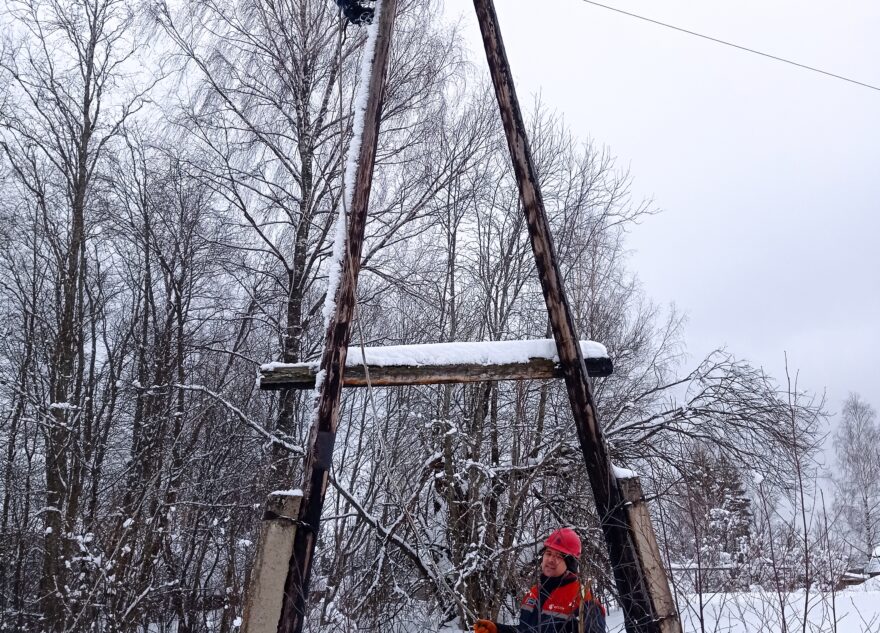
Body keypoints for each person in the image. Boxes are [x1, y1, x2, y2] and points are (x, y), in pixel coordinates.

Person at [473, 528, 606, 633]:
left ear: (570, 563)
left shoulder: (584, 598)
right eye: (548, 553)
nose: (551, 560)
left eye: (559, 556)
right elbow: (524, 631)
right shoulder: (533, 593)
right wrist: (497, 630)